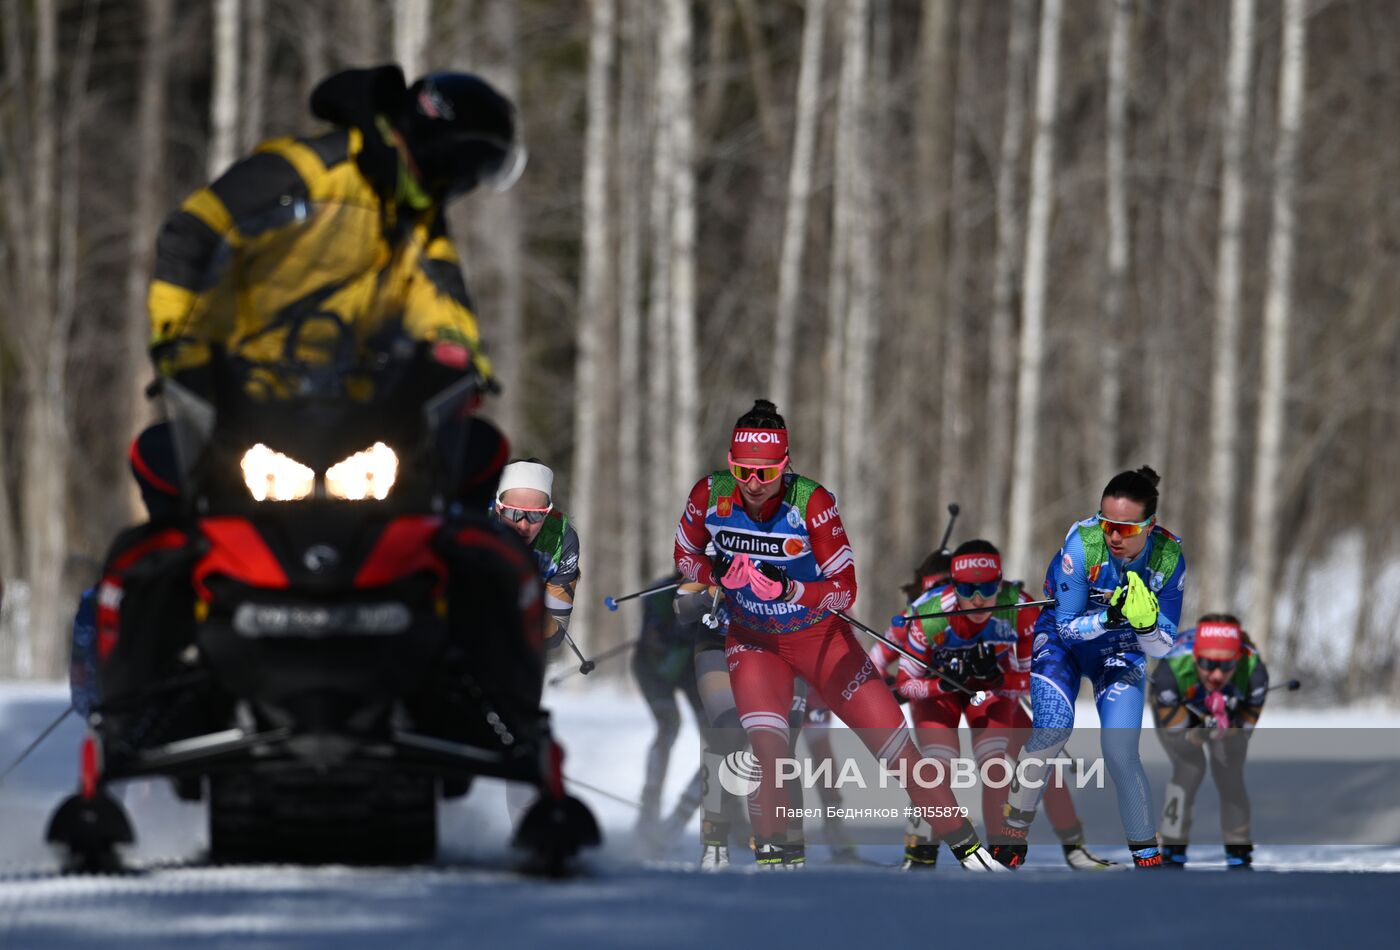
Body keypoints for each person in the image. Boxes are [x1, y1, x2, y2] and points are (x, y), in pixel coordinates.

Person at [135, 63, 522, 518]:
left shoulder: (417, 213)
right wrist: (176, 342)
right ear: (447, 157)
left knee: (477, 455)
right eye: (470, 170)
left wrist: (462, 365)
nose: (465, 185)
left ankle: (472, 587)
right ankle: (136, 587)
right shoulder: (305, 169)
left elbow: (441, 297)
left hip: (358, 403)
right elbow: (191, 234)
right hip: (245, 394)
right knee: (160, 460)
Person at [674, 399, 1004, 870]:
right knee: (767, 750)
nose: (753, 485)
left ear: (785, 467)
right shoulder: (710, 494)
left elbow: (844, 590)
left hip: (821, 641)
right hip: (755, 641)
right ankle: (775, 862)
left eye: (766, 475)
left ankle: (969, 849)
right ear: (731, 463)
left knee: (896, 751)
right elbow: (685, 555)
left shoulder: (811, 501)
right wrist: (719, 571)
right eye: (744, 471)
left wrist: (791, 587)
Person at [995, 466, 1185, 869]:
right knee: (1051, 730)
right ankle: (1011, 834)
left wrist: (1146, 625)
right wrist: (1111, 618)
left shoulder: (1169, 557)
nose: (1114, 536)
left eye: (1127, 529)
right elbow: (1066, 627)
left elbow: (1164, 648)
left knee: (1120, 753)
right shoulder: (1083, 546)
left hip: (1119, 651)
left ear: (1150, 526)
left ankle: (1146, 855)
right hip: (1064, 644)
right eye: (1107, 524)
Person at [896, 540, 1119, 871]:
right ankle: (921, 853)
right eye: (967, 590)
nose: (977, 600)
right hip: (939, 695)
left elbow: (1033, 676)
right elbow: (905, 684)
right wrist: (943, 681)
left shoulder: (1019, 606)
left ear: (1000, 582)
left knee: (998, 765)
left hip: (995, 692)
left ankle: (1012, 855)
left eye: (987, 588)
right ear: (953, 585)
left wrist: (999, 680)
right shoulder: (929, 614)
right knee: (936, 766)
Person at [1150, 613, 1269, 869]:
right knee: (1189, 768)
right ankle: (1172, 846)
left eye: (1226, 666)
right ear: (1194, 656)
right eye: (1206, 663)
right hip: (1181, 710)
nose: (1216, 675)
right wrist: (1197, 733)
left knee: (1229, 771)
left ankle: (1239, 849)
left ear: (1237, 660)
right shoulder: (1171, 672)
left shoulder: (1254, 673)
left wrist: (1228, 731)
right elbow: (1178, 738)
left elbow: (1243, 733)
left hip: (1228, 715)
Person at [630, 572, 707, 848]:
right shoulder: (660, 592)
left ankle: (677, 821)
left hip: (691, 670)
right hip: (654, 668)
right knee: (669, 726)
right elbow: (653, 639)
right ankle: (648, 813)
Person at [492, 459, 579, 650]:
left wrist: (529, 602)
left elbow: (555, 634)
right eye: (513, 513)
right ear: (498, 508)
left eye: (536, 515)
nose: (523, 525)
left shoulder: (561, 540)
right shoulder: (477, 524)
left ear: (547, 513)